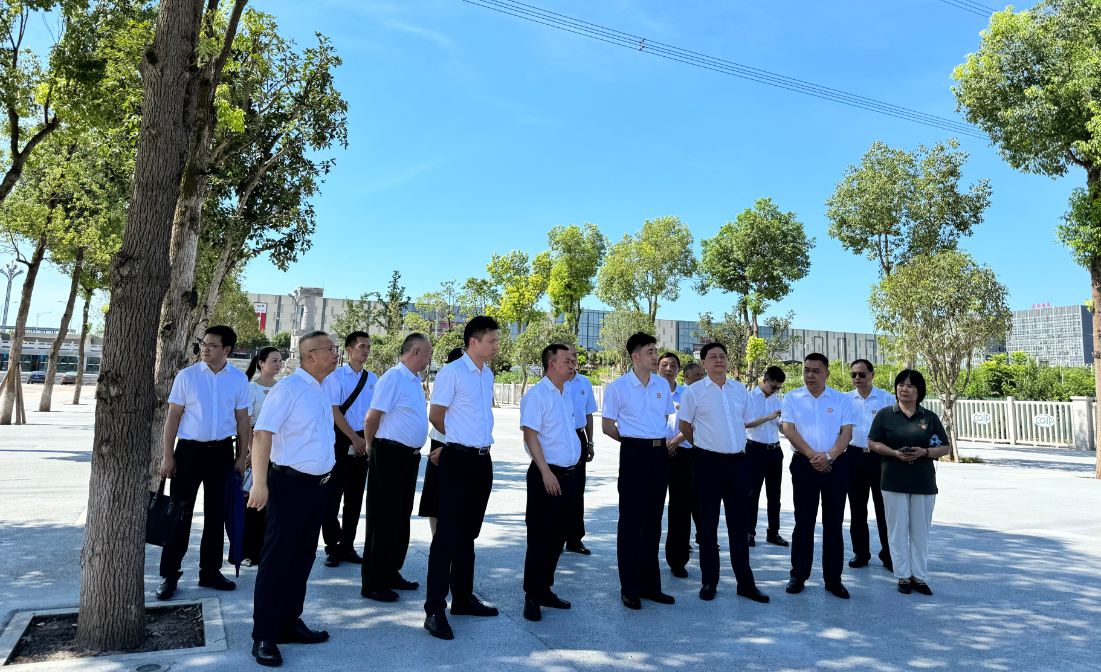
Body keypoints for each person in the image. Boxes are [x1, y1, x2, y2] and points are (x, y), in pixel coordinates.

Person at [247, 330, 339, 667]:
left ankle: (288, 622)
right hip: (289, 486)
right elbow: (262, 434)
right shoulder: (288, 389)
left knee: (302, 558)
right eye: (330, 349)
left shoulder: (323, 387)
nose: (336, 354)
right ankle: (264, 635)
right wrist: (259, 483)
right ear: (310, 355)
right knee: (276, 562)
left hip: (319, 487)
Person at [156, 325, 251, 600]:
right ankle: (169, 575)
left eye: (212, 345)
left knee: (216, 516)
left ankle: (209, 572)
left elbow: (243, 420)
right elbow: (173, 417)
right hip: (188, 453)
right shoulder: (187, 376)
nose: (205, 349)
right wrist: (168, 455)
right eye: (203, 344)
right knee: (179, 514)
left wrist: (241, 457)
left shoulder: (238, 379)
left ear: (227, 350)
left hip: (222, 453)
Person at [423, 316, 500, 640]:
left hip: (483, 461)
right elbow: (436, 415)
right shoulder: (452, 373)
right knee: (447, 535)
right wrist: (456, 442)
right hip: (457, 461)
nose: (496, 346)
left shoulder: (487, 374)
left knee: (468, 534)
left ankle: (463, 598)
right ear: (474, 342)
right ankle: (434, 610)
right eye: (492, 340)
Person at [678, 342, 770, 604]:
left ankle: (745, 583)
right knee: (708, 524)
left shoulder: (739, 389)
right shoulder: (693, 392)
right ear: (704, 363)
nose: (718, 360)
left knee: (739, 525)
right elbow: (684, 425)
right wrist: (703, 446)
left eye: (722, 356)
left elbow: (744, 421)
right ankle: (710, 580)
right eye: (712, 357)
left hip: (738, 462)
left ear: (728, 361)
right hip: (708, 463)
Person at [602, 332, 676, 610]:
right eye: (650, 352)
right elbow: (608, 426)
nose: (656, 356)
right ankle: (630, 587)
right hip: (634, 453)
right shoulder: (618, 387)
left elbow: (664, 417)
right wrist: (633, 443)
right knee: (631, 521)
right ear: (635, 356)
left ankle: (651, 586)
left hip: (660, 453)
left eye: (656, 351)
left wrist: (652, 443)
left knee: (653, 521)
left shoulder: (662, 385)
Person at [361, 333, 433, 601]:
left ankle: (391, 572)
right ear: (416, 352)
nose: (430, 358)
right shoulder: (393, 378)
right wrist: (372, 448)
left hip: (408, 457)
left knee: (401, 518)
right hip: (389, 454)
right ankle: (373, 582)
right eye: (428, 353)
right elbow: (372, 419)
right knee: (383, 519)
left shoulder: (414, 380)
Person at [868, 370, 950, 595]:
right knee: (896, 530)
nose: (904, 389)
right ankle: (903, 575)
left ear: (919, 391)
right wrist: (894, 453)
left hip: (923, 481)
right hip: (893, 480)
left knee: (920, 531)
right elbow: (873, 443)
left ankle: (919, 576)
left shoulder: (929, 418)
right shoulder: (885, 414)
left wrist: (924, 452)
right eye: (901, 384)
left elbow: (944, 447)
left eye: (910, 386)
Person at [781, 353, 856, 599]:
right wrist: (815, 456)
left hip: (836, 465)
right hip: (804, 464)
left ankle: (833, 579)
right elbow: (789, 430)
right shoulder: (792, 397)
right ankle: (798, 575)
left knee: (833, 523)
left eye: (816, 371)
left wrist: (829, 457)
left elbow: (846, 433)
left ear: (827, 373)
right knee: (804, 521)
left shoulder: (841, 399)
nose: (810, 375)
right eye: (806, 371)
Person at [520, 344, 582, 622]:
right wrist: (545, 472)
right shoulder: (536, 395)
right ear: (551, 364)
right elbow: (530, 436)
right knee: (540, 538)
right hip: (546, 476)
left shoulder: (566, 392)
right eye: (567, 361)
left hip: (569, 476)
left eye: (572, 360)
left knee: (558, 537)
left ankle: (545, 589)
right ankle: (532, 596)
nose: (572, 365)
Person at [320, 331, 377, 567]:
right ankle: (332, 547)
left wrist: (367, 441)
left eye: (368, 347)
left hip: (364, 441)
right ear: (349, 350)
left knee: (355, 498)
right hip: (341, 440)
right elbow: (335, 411)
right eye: (362, 346)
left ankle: (347, 546)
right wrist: (353, 437)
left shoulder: (373, 378)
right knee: (332, 497)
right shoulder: (336, 377)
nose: (366, 351)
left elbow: (375, 412)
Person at [846, 359, 896, 571]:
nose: (857, 378)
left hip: (880, 458)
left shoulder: (887, 399)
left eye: (862, 374)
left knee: (884, 509)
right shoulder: (845, 399)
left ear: (872, 374)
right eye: (853, 374)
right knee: (857, 508)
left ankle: (889, 555)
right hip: (853, 456)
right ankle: (861, 552)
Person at [659, 353, 702, 578]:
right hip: (655, 453)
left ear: (679, 371)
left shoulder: (688, 394)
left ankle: (677, 560)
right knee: (651, 508)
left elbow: (694, 423)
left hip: (683, 454)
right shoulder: (650, 391)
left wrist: (675, 442)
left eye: (673, 365)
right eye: (664, 364)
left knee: (681, 508)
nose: (668, 369)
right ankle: (645, 558)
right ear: (658, 367)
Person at [243, 346, 283, 567]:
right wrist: (252, 451)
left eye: (280, 360)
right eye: (274, 360)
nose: (278, 364)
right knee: (253, 502)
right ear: (261, 363)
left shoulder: (283, 388)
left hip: (279, 451)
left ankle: (270, 551)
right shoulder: (251, 388)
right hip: (256, 448)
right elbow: (246, 424)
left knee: (274, 503)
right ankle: (249, 551)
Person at [419, 347, 465, 536]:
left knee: (459, 496)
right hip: (442, 440)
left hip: (465, 446)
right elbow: (436, 416)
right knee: (436, 496)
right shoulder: (447, 378)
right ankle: (437, 540)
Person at [745, 366, 788, 548]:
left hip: (775, 451)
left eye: (779, 388)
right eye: (773, 387)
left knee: (775, 494)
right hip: (754, 450)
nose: (775, 390)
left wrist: (785, 424)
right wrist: (769, 417)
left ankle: (773, 532)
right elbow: (746, 423)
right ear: (764, 381)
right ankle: (748, 532)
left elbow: (782, 428)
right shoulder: (749, 398)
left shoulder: (778, 401)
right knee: (752, 494)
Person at [563, 343, 597, 556]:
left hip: (578, 436)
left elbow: (588, 414)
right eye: (569, 355)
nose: (573, 358)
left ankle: (574, 539)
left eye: (575, 354)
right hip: (558, 437)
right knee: (559, 488)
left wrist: (590, 442)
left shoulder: (584, 382)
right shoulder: (554, 382)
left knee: (577, 489)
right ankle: (556, 537)